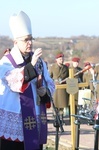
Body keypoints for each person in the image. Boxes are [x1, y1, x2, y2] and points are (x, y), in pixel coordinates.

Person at [0, 11, 55, 150]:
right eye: (26, 40)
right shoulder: (7, 62)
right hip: (14, 123)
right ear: (15, 42)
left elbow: (50, 82)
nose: (30, 43)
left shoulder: (39, 62)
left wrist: (45, 91)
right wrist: (31, 65)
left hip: (35, 119)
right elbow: (14, 81)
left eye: (31, 39)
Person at [50, 53, 69, 123]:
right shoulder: (52, 67)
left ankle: (61, 119)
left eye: (62, 59)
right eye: (60, 59)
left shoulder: (66, 68)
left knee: (62, 105)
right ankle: (56, 119)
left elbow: (68, 77)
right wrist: (53, 82)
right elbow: (49, 77)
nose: (62, 60)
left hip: (63, 89)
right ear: (56, 60)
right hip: (55, 89)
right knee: (55, 105)